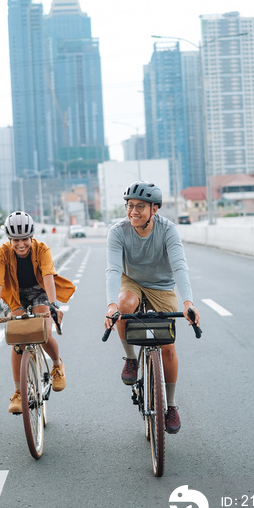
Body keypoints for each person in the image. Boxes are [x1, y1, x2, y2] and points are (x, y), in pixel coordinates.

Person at [104, 181, 200, 434]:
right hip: (131, 280)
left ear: (154, 209)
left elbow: (179, 266)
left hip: (162, 286)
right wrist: (111, 304)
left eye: (140, 207)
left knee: (167, 346)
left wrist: (188, 301)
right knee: (123, 307)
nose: (133, 211)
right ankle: (131, 359)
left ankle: (171, 405)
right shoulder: (118, 231)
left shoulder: (168, 230)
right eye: (130, 206)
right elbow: (113, 268)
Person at [0, 211, 75, 413]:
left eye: (25, 239)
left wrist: (53, 304)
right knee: (18, 339)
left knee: (42, 331)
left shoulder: (42, 249)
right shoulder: (0, 254)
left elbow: (48, 276)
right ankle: (18, 392)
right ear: (9, 239)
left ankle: (56, 365)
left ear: (31, 237)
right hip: (15, 295)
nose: (20, 245)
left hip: (39, 291)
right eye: (15, 240)